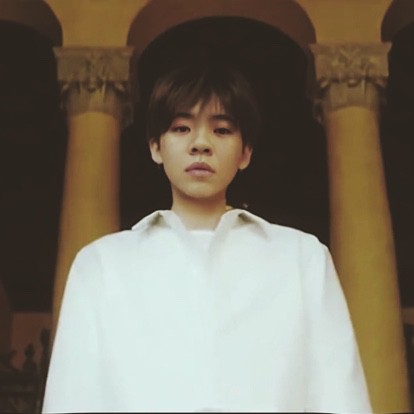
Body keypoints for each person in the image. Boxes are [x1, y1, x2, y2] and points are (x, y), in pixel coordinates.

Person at [42, 64, 372, 413]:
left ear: (245, 152)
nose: (201, 144)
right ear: (155, 146)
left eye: (222, 130)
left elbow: (341, 399)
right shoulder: (102, 265)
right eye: (181, 128)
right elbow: (72, 399)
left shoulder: (302, 259)